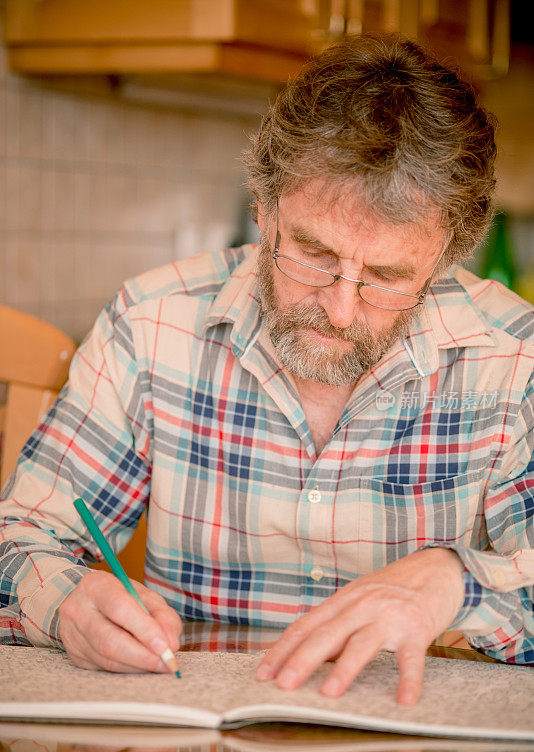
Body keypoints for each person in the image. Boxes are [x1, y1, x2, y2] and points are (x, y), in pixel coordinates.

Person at [0, 34, 532, 706]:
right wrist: (68, 601)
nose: (340, 310)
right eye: (312, 253)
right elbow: (18, 540)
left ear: (446, 261)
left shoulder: (514, 359)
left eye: (389, 277)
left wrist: (459, 584)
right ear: (262, 210)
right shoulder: (152, 323)